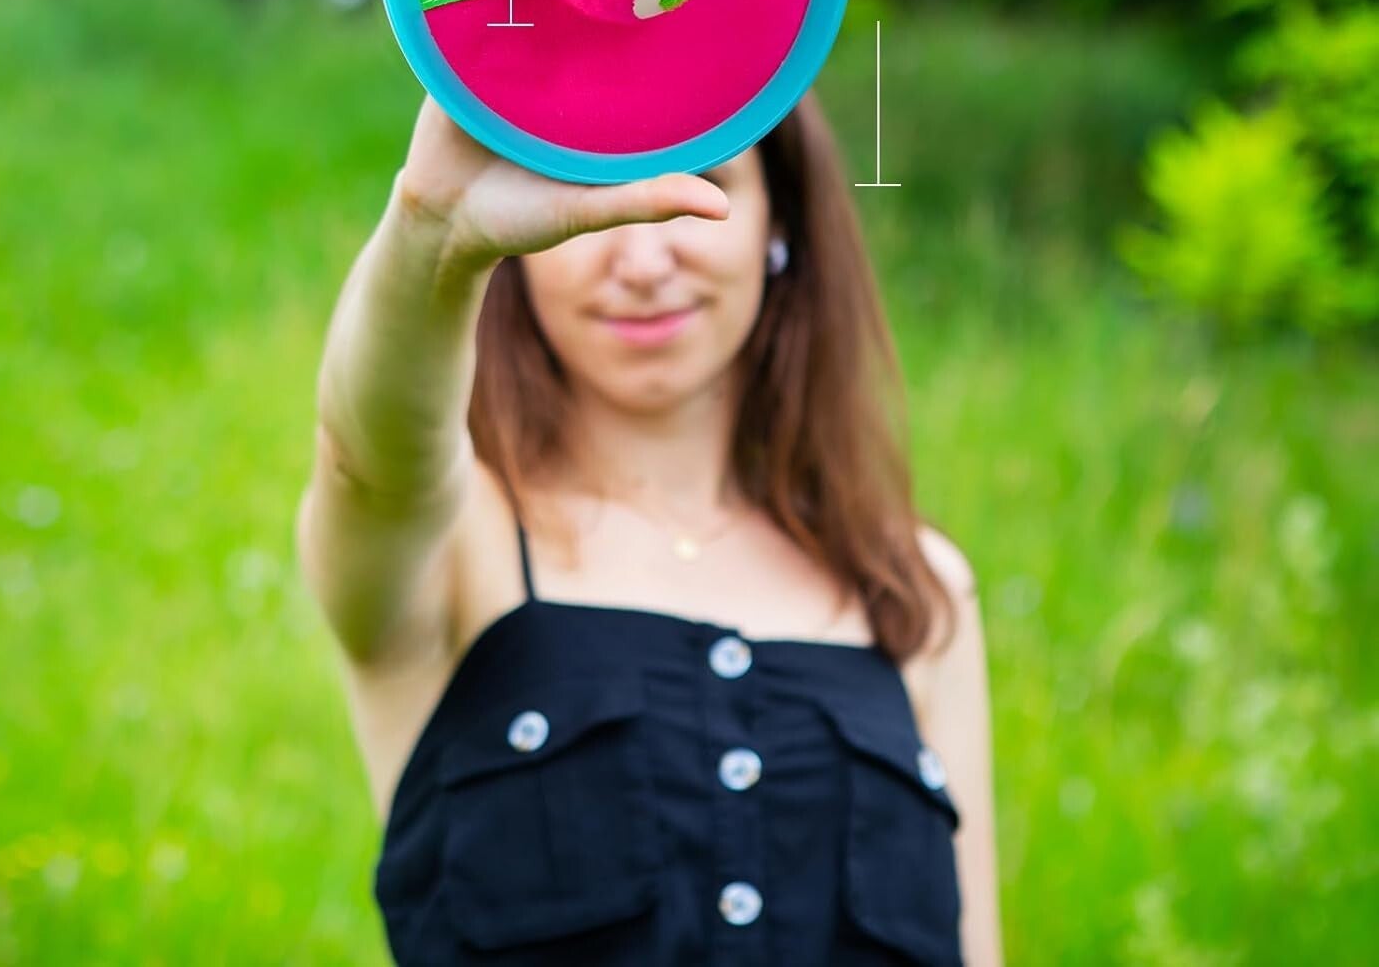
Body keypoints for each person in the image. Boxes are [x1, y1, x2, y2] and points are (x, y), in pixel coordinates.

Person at [297, 90, 1004, 966]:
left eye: (701, 183)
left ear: (779, 223)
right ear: (521, 251)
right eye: (594, 189)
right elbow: (367, 455)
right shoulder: (456, 544)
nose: (641, 257)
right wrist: (429, 234)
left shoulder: (916, 587)